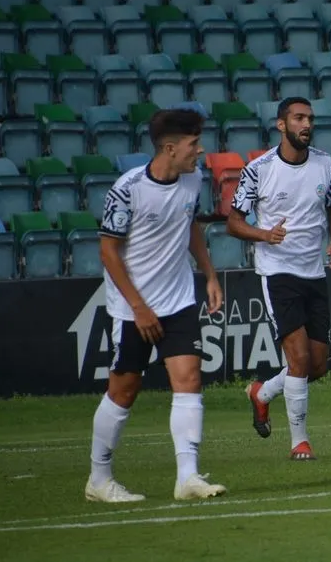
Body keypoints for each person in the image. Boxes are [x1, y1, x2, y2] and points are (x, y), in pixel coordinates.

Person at [86, 108, 227, 503]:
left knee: (189, 378)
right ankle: (98, 480)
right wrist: (139, 308)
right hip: (133, 307)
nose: (199, 151)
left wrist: (210, 274)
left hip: (178, 299)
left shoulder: (192, 179)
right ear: (169, 147)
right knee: (124, 390)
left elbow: (190, 224)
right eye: (193, 144)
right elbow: (108, 252)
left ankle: (188, 477)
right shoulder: (128, 189)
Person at [228, 96, 331, 460]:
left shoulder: (326, 164)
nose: (306, 124)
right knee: (297, 358)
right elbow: (233, 222)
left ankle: (261, 393)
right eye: (298, 118)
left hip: (314, 272)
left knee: (317, 364)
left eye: (309, 118)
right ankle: (299, 442)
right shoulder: (259, 169)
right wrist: (264, 235)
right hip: (278, 272)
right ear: (281, 125)